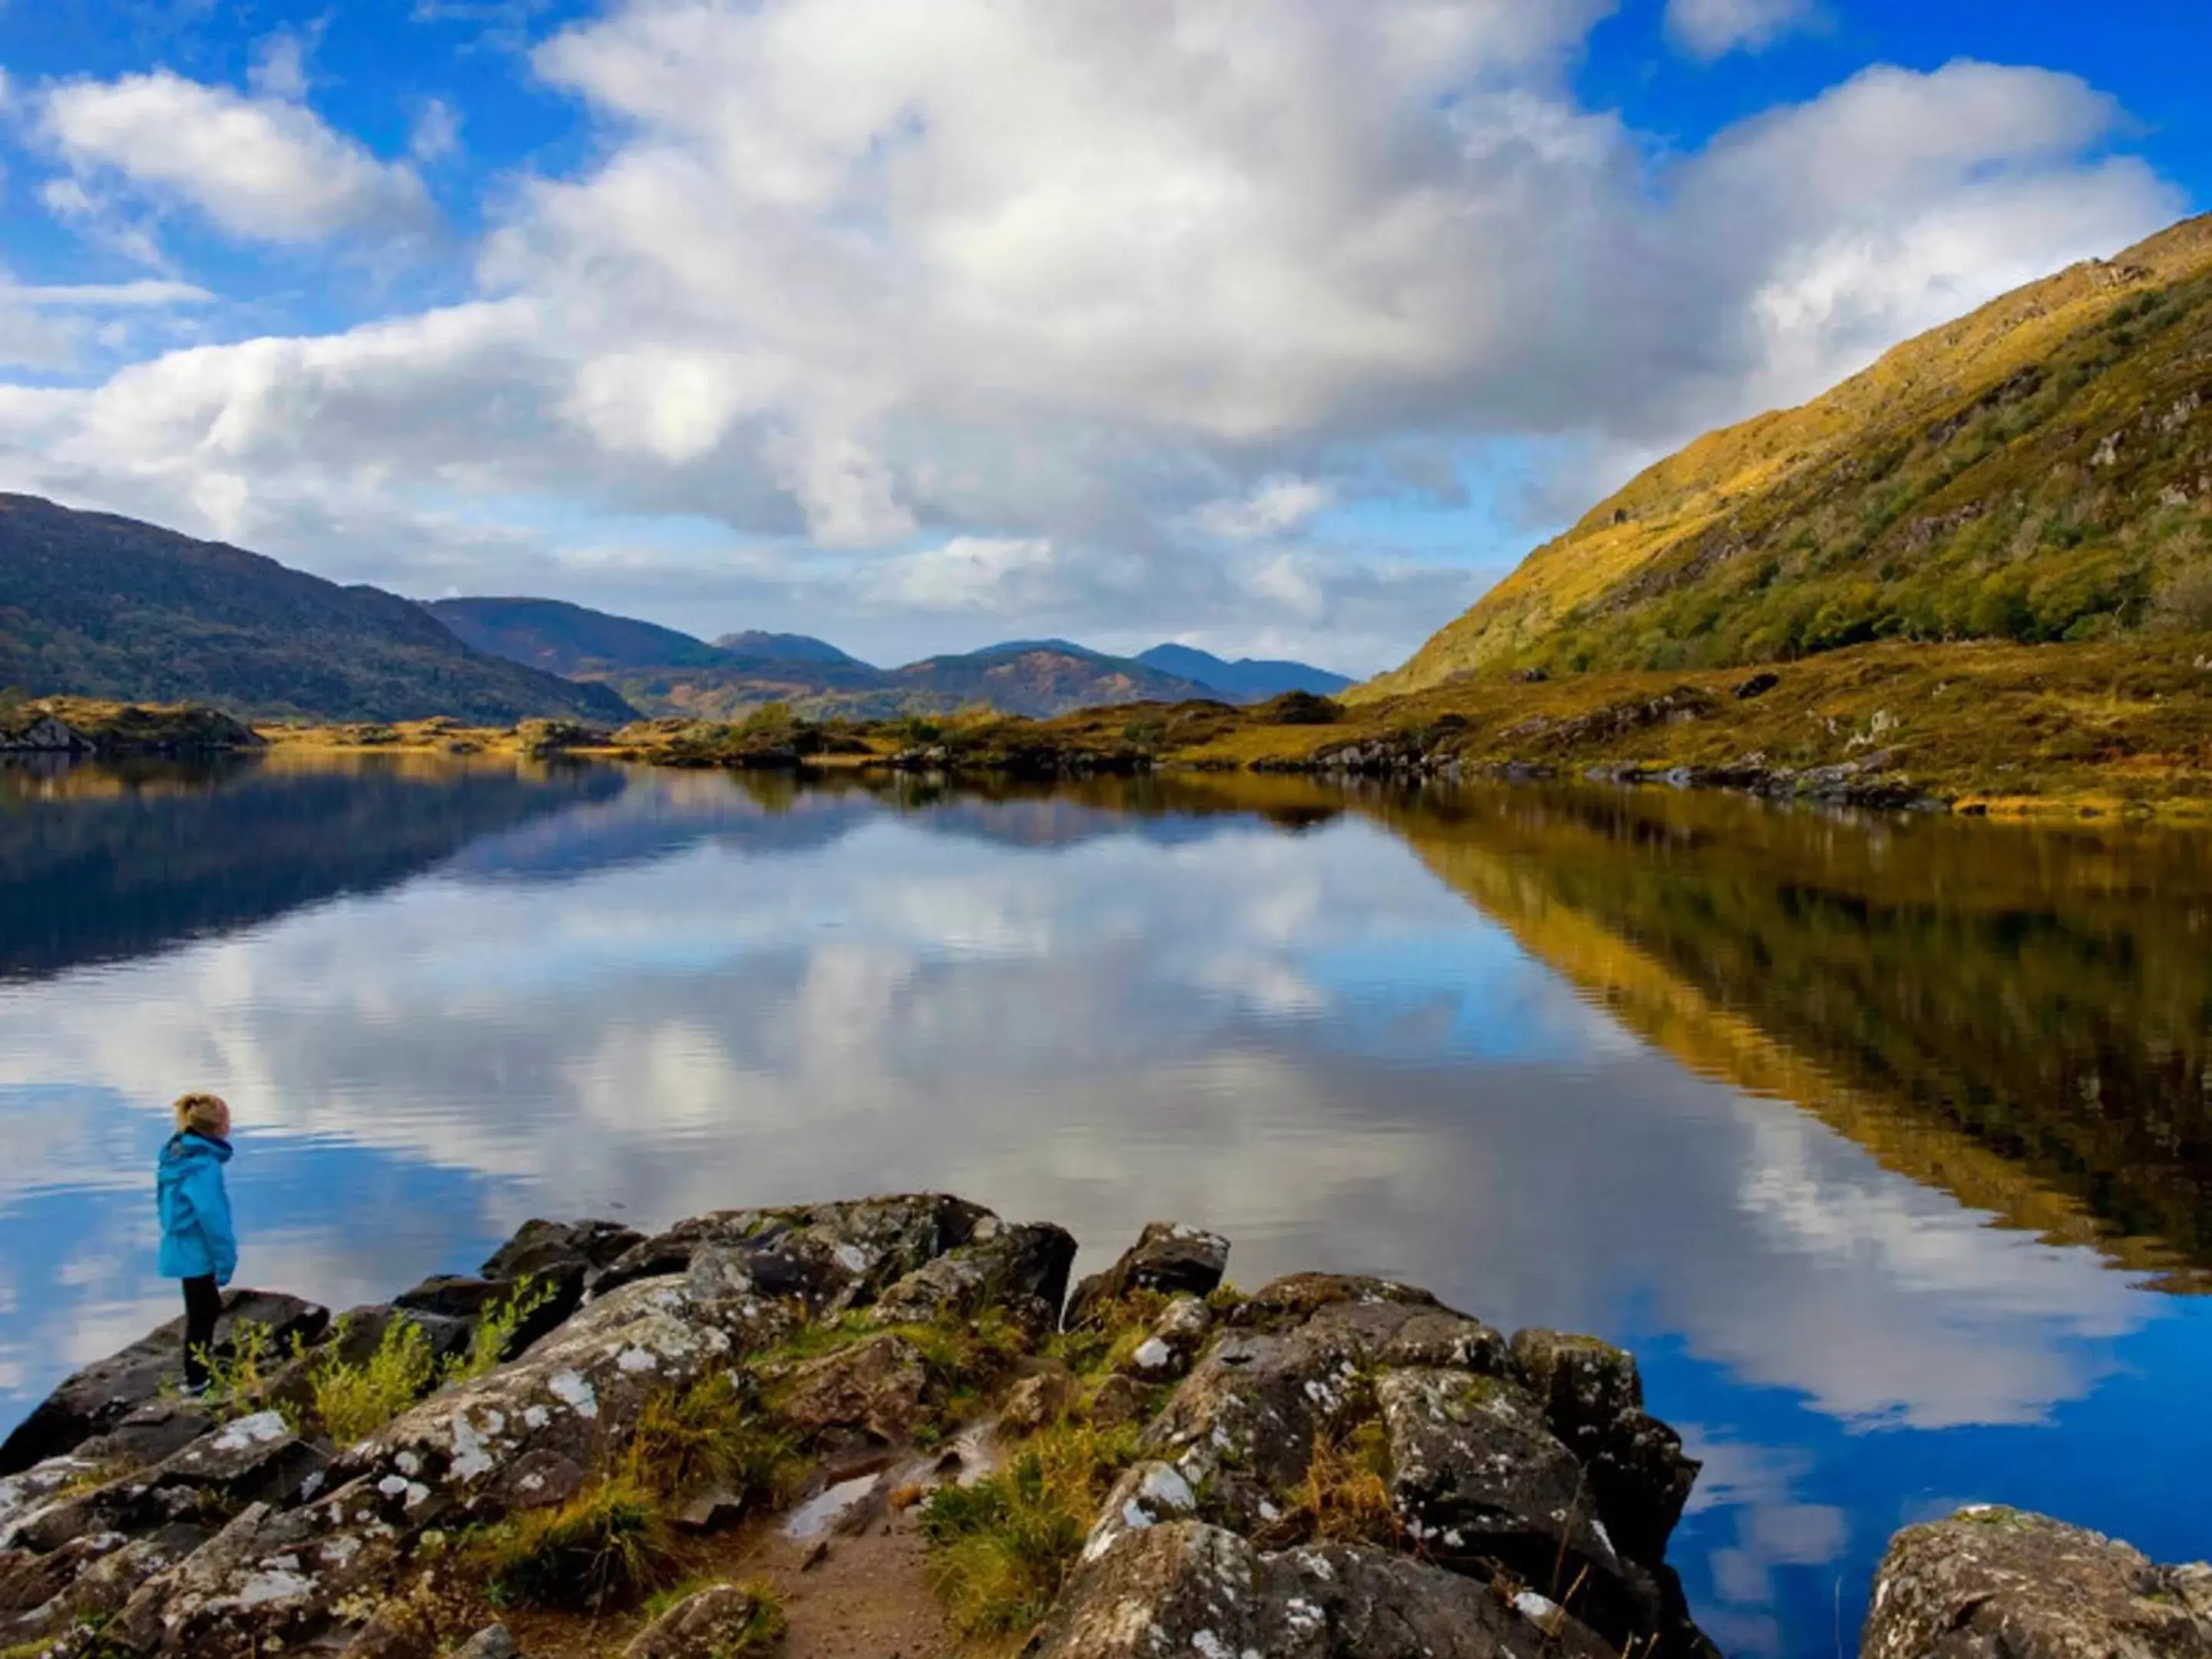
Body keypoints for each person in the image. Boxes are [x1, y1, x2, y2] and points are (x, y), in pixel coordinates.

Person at [156, 1092, 238, 1394]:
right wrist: (226, 1260)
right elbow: (212, 1216)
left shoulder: (176, 1157)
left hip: (179, 1245)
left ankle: (198, 1376)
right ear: (218, 1127)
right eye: (228, 1120)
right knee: (203, 1314)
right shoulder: (204, 1165)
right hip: (198, 1249)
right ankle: (198, 1382)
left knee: (202, 1308)